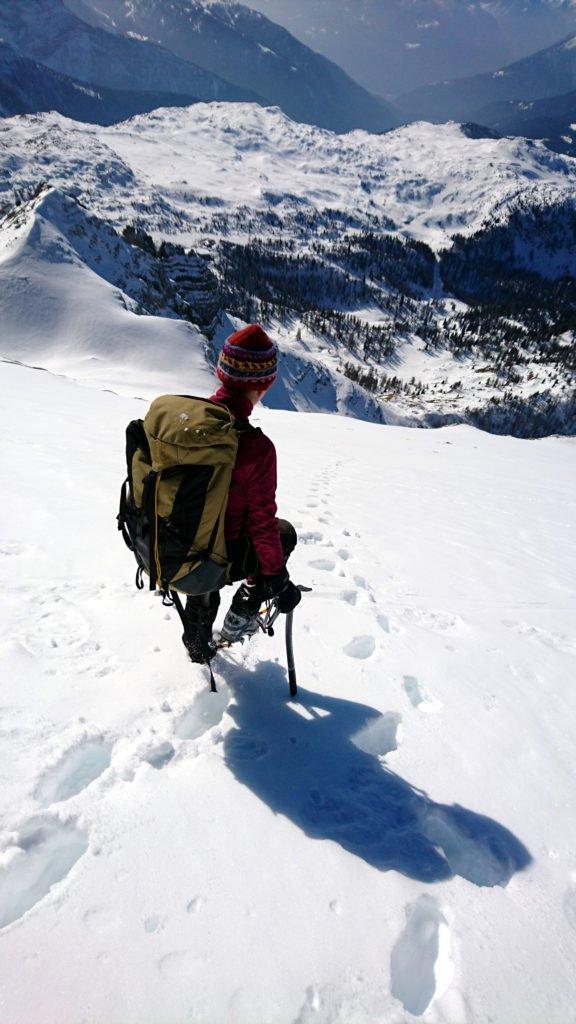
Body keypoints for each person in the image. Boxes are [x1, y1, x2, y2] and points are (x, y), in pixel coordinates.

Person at [183, 323, 301, 662]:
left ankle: (197, 640)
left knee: (205, 565)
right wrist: (278, 581)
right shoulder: (256, 449)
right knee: (283, 534)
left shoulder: (187, 422)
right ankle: (247, 604)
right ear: (264, 384)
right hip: (222, 554)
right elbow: (263, 527)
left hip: (175, 544)